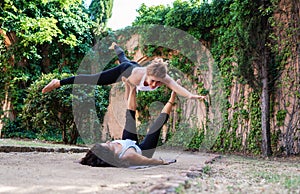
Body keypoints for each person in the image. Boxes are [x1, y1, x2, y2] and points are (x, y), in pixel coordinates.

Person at [42, 42, 206, 100]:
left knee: (124, 57)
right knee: (95, 79)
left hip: (132, 65)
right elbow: (129, 96)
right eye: (152, 81)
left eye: (158, 82)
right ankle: (58, 82)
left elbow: (177, 88)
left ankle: (115, 46)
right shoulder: (137, 77)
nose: (155, 84)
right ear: (148, 74)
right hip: (126, 71)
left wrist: (191, 95)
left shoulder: (162, 77)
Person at [80, 78, 177, 167]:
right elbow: (148, 161)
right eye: (108, 145)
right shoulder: (128, 155)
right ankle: (173, 96)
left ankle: (133, 87)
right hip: (143, 150)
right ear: (110, 154)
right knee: (157, 125)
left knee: (129, 116)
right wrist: (163, 162)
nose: (109, 141)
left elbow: (90, 158)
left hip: (128, 142)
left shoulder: (109, 148)